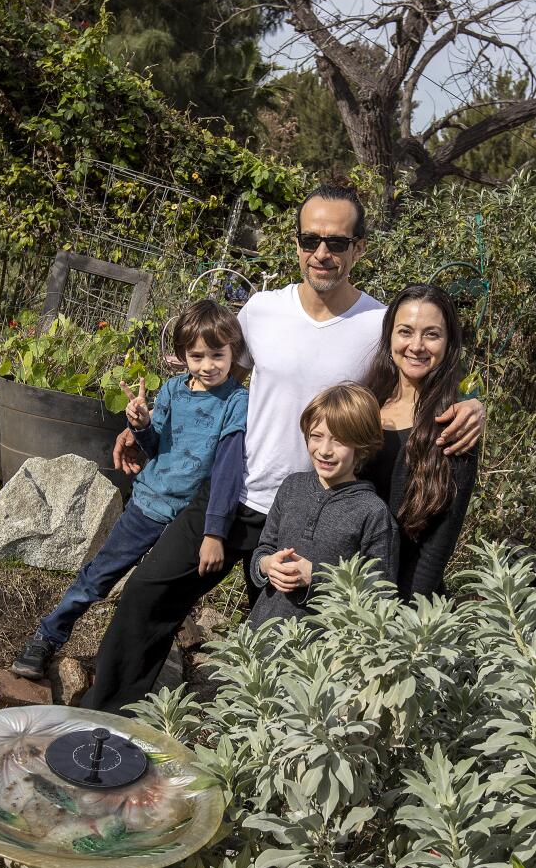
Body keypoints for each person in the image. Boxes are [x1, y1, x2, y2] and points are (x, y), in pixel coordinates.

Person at [79, 181, 487, 713]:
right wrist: (149, 424)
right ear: (295, 243)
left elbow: (413, 384)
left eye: (338, 242)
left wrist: (474, 404)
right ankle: (104, 726)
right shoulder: (260, 311)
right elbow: (212, 381)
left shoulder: (378, 325)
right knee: (146, 598)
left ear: (359, 248)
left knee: (278, 665)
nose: (323, 253)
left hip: (309, 519)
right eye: (311, 239)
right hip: (237, 493)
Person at [9, 299, 249, 680]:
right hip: (148, 505)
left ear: (233, 351)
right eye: (197, 355)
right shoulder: (172, 391)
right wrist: (140, 425)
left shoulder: (237, 402)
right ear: (182, 356)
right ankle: (47, 637)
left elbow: (227, 469)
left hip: (189, 519)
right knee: (99, 574)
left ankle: (136, 669)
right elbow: (155, 447)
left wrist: (213, 529)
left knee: (158, 593)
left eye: (217, 354)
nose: (208, 365)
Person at [359, 283, 478, 599]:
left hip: (401, 601)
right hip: (339, 588)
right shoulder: (364, 403)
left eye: (432, 334)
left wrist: (403, 620)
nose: (416, 345)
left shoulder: (454, 426)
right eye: (406, 331)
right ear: (390, 337)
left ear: (449, 342)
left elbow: (437, 549)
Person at [250, 384, 398, 625]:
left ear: (361, 447)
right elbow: (264, 548)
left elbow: (381, 597)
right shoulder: (291, 487)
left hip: (322, 654)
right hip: (262, 636)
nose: (324, 450)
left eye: (339, 441)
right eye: (316, 436)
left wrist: (317, 578)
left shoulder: (373, 513)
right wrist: (267, 565)